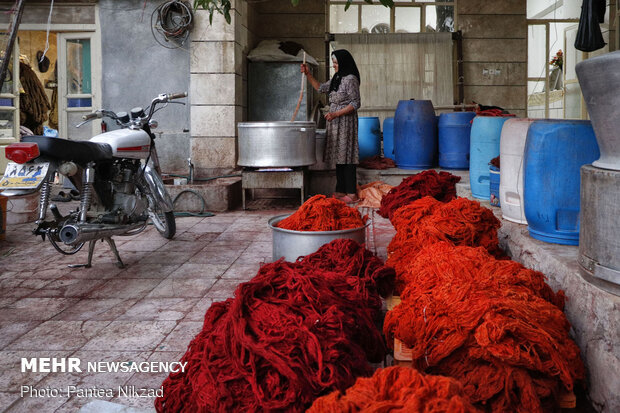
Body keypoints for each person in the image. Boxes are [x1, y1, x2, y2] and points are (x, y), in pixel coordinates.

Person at [302, 49, 361, 203]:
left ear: (344, 63)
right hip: (335, 123)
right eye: (333, 63)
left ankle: (352, 193)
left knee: (347, 156)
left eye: (336, 63)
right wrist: (308, 74)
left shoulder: (350, 79)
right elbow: (321, 88)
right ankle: (340, 190)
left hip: (346, 122)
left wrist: (336, 114)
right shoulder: (337, 78)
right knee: (338, 156)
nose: (334, 66)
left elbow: (355, 103)